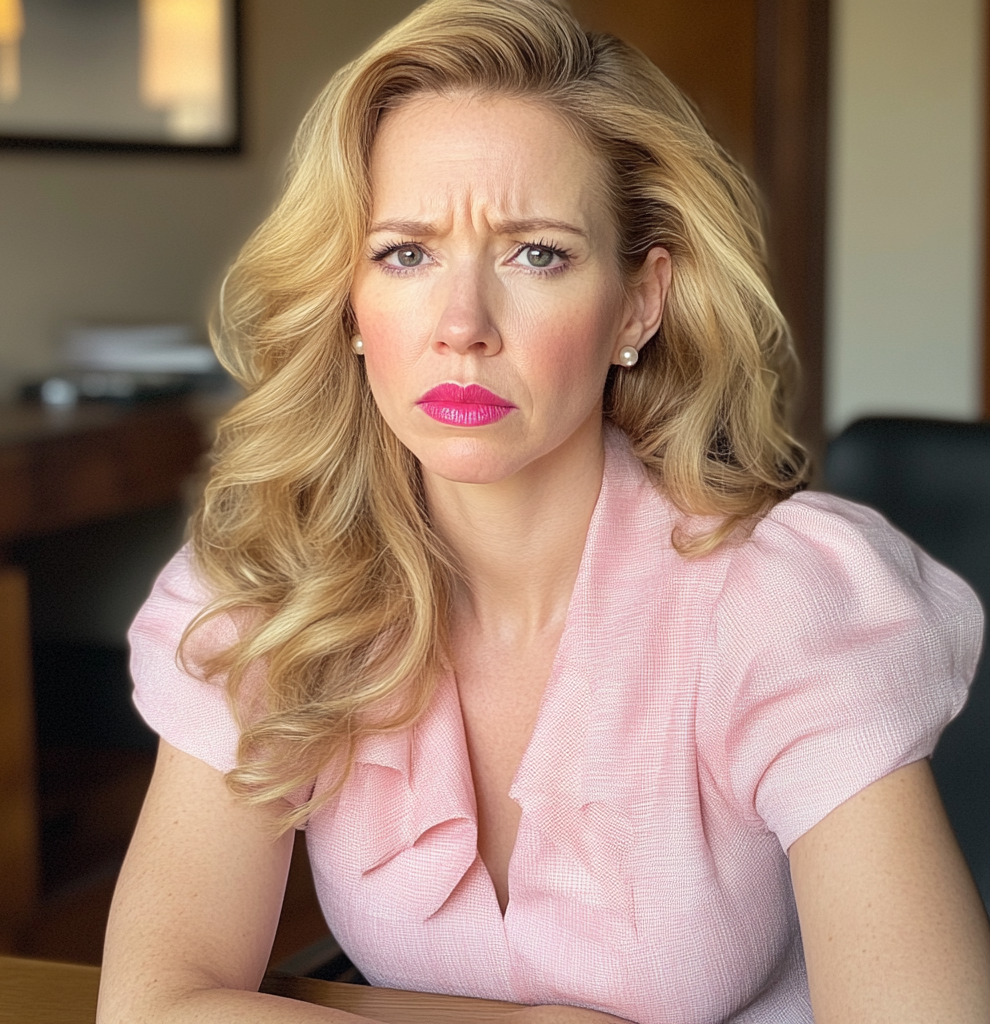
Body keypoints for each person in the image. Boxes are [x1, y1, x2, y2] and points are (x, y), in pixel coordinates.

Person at [97, 1, 990, 1021]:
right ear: (347, 302)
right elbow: (158, 1002)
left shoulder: (778, 601)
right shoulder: (268, 591)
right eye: (404, 253)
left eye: (537, 255)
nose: (463, 327)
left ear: (637, 304)